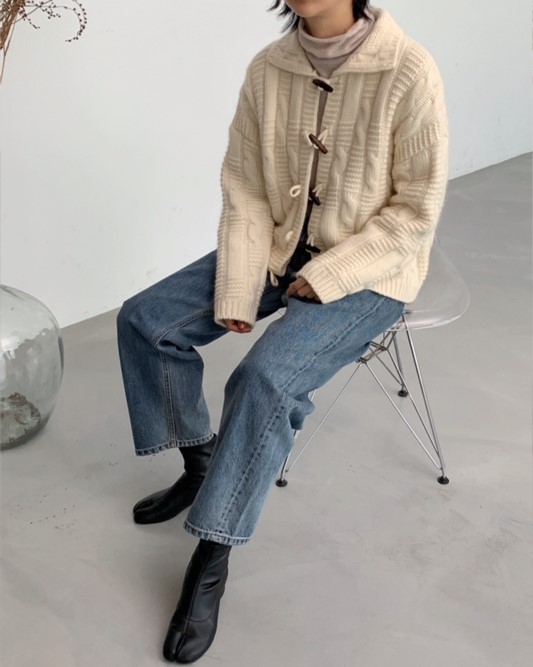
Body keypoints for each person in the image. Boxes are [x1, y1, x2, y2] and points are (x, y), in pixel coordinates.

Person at [116, 1, 449, 662]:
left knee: (264, 378)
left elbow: (416, 210)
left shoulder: (409, 70)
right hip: (276, 247)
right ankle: (201, 462)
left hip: (370, 271)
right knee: (146, 321)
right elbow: (245, 188)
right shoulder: (268, 68)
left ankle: (211, 556)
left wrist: (331, 273)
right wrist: (241, 285)